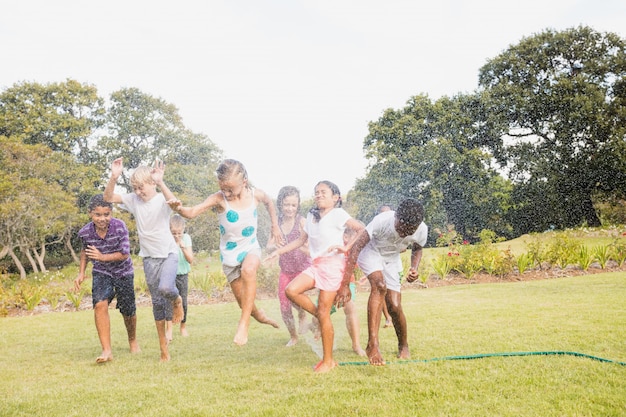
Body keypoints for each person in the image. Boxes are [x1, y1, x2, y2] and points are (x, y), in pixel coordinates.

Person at [167, 159, 282, 346]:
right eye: (223, 188)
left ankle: (243, 324)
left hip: (250, 247)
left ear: (244, 181)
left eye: (230, 189)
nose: (226, 193)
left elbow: (270, 202)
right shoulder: (219, 198)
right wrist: (178, 208)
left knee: (249, 270)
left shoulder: (256, 195)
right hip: (229, 257)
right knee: (246, 305)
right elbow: (192, 211)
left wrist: (275, 227)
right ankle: (259, 316)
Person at [266, 181, 365, 373]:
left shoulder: (338, 214)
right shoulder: (312, 217)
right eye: (316, 192)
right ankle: (320, 316)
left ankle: (328, 361)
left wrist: (346, 247)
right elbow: (300, 241)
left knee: (324, 312)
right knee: (291, 290)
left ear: (335, 198)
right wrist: (277, 252)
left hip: (333, 267)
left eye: (323, 192)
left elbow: (361, 229)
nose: (319, 195)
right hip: (316, 265)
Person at [104, 158, 184, 362]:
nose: (139, 192)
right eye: (135, 188)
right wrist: (114, 177)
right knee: (157, 302)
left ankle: (177, 300)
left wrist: (161, 183)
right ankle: (163, 351)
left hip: (168, 254)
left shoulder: (161, 199)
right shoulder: (134, 200)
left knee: (166, 288)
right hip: (149, 258)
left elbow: (174, 204)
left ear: (151, 184)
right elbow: (108, 197)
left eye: (142, 187)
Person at [337, 198, 427, 366]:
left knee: (394, 305)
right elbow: (356, 248)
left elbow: (417, 248)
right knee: (379, 285)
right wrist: (344, 285)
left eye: (411, 230)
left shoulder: (421, 229)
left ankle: (403, 345)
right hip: (371, 252)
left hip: (391, 258)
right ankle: (373, 344)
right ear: (396, 217)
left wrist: (414, 267)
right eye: (402, 227)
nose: (406, 233)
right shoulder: (381, 221)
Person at [74, 194, 140, 363]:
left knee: (128, 310)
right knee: (99, 304)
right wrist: (81, 273)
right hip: (102, 272)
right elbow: (85, 252)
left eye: (106, 214)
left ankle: (132, 340)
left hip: (123, 272)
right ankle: (106, 351)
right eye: (97, 215)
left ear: (111, 213)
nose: (102, 218)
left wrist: (102, 257)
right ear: (90, 213)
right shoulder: (85, 232)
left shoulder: (120, 227)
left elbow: (124, 254)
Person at [266, 186, 311, 347]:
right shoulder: (276, 224)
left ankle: (302, 314)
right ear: (280, 204)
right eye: (286, 204)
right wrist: (275, 247)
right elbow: (268, 246)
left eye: (293, 205)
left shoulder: (302, 222)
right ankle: (293, 336)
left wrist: (297, 246)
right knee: (284, 305)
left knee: (295, 299)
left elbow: (310, 248)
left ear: (298, 205)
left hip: (302, 269)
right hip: (286, 270)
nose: (290, 208)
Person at [165, 214, 194, 342]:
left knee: (183, 302)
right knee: (169, 302)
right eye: (173, 233)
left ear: (183, 230)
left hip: (182, 275)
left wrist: (182, 246)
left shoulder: (186, 238)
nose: (176, 236)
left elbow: (190, 259)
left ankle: (183, 326)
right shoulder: (166, 239)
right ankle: (169, 329)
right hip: (169, 275)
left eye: (179, 233)